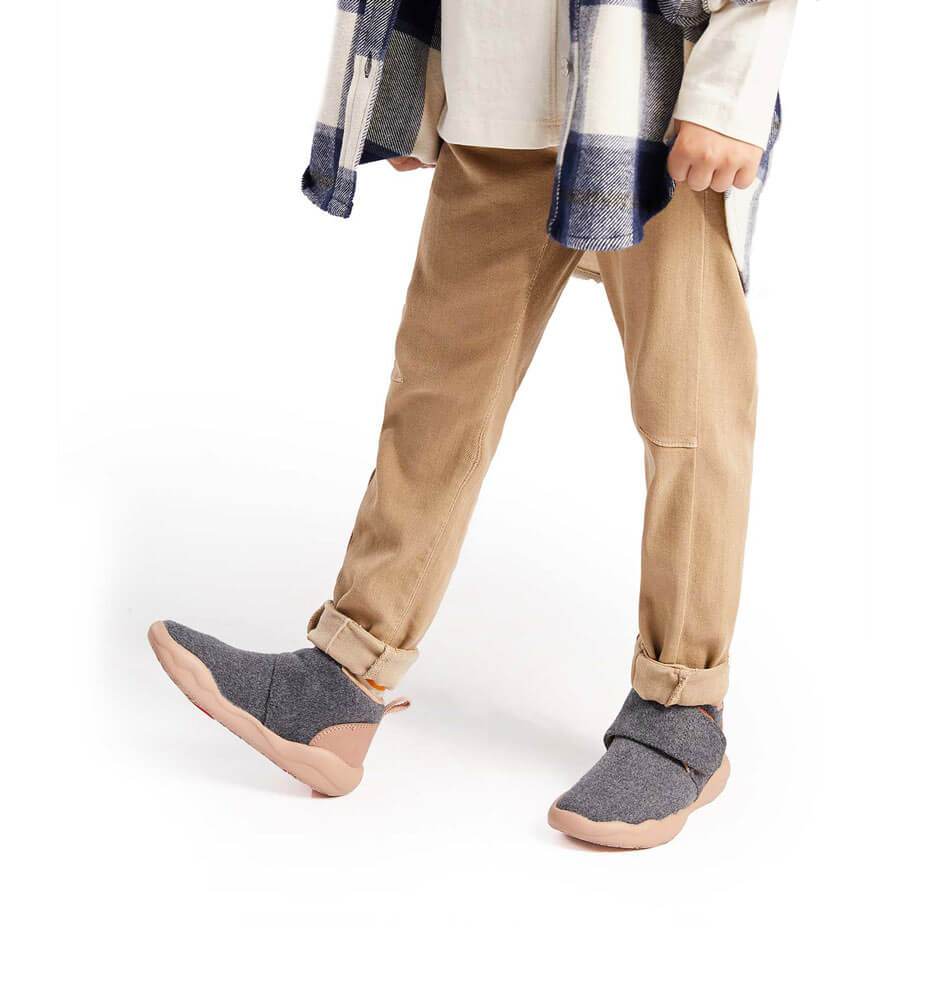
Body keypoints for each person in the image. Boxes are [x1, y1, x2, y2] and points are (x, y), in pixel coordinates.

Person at [149, 0, 797, 849]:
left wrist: (728, 93)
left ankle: (683, 706)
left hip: (649, 100)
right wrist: (422, 86)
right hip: (494, 108)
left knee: (689, 414)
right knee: (434, 401)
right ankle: (345, 677)